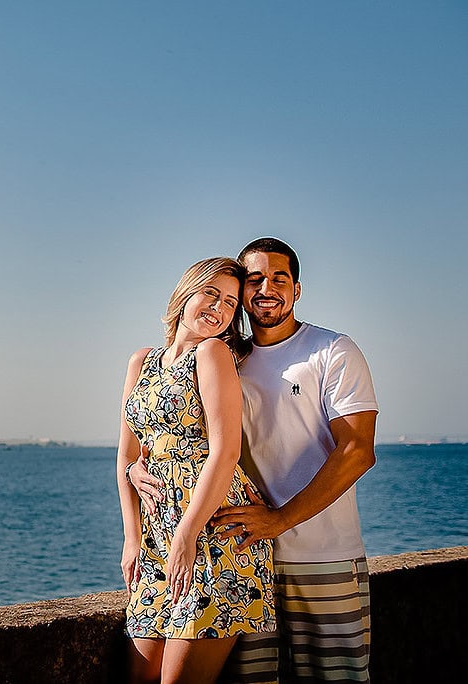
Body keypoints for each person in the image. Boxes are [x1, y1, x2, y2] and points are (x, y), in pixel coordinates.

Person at [129, 238, 378, 683]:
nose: (266, 288)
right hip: (241, 545)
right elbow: (175, 435)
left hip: (321, 553)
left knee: (335, 677)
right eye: (254, 280)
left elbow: (357, 451)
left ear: (297, 289)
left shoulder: (332, 350)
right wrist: (135, 466)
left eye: (279, 278)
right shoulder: (228, 355)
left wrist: (280, 520)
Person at [117, 257, 276, 684]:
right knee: (140, 678)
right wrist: (132, 538)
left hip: (211, 533)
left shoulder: (212, 352)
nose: (219, 308)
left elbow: (225, 452)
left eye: (230, 302)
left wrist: (187, 535)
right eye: (211, 293)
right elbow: (125, 456)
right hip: (156, 537)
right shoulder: (142, 361)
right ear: (186, 291)